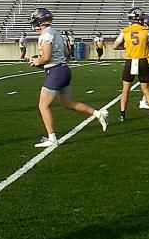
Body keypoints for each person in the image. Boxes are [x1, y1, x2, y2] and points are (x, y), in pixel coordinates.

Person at [27, 8, 108, 148]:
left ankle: (52, 138)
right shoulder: (56, 34)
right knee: (67, 103)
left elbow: (46, 57)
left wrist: (36, 61)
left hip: (56, 72)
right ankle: (97, 113)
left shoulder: (45, 35)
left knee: (43, 105)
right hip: (64, 70)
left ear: (39, 21)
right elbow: (65, 53)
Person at [113, 7, 149, 122]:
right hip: (143, 60)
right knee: (146, 88)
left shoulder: (125, 31)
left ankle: (122, 114)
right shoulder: (146, 30)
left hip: (130, 60)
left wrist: (125, 47)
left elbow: (115, 46)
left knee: (126, 89)